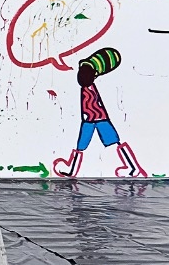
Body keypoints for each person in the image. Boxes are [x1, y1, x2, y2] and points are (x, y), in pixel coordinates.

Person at [52, 47, 145, 179]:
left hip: (94, 119)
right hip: (95, 119)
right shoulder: (87, 87)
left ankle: (132, 167)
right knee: (87, 144)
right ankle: (132, 167)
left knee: (92, 144)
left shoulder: (88, 88)